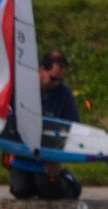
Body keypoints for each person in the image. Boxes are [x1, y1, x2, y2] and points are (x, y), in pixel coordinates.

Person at [8, 50, 82, 200]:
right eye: (53, 78)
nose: (57, 84)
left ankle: (70, 183)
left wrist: (56, 159)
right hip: (23, 154)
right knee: (20, 190)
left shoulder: (64, 94)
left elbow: (73, 129)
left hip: (48, 157)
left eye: (60, 80)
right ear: (42, 70)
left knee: (48, 192)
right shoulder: (21, 89)